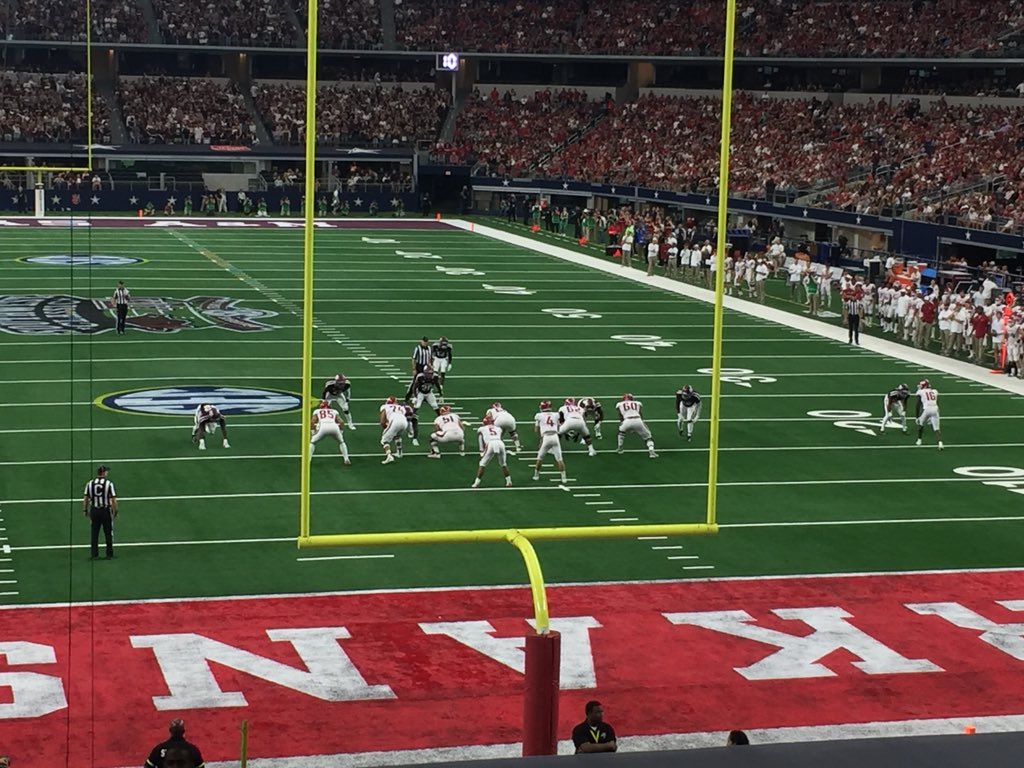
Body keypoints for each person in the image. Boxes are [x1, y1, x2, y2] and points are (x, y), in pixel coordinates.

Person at [83, 465, 117, 560]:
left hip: (94, 510)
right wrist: (115, 510)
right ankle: (109, 554)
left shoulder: (90, 483)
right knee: (108, 532)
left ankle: (94, 554)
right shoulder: (109, 484)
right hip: (105, 510)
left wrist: (85, 509)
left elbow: (86, 498)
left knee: (94, 533)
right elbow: (113, 499)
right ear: (103, 473)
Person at [472, 415, 512, 488]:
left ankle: (476, 483)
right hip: (500, 443)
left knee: (482, 463)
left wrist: (481, 451)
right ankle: (509, 481)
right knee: (503, 464)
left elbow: (480, 438)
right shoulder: (498, 428)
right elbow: (500, 436)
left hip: (491, 444)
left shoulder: (481, 429)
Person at [533, 400, 567, 483]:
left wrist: (541, 436)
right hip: (555, 436)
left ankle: (536, 475)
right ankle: (564, 478)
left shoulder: (539, 416)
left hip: (546, 437)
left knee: (540, 458)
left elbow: (536, 429)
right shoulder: (556, 415)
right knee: (559, 459)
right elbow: (559, 425)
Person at [616, 393, 658, 458]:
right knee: (648, 437)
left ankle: (620, 448)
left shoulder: (619, 404)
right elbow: (640, 413)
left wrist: (622, 423)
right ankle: (651, 452)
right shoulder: (637, 403)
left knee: (621, 433)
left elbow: (620, 415)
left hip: (627, 420)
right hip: (638, 419)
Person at [309, 400, 350, 466]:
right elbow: (341, 422)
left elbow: (312, 422)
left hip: (323, 427)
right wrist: (341, 432)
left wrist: (313, 432)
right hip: (334, 427)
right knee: (341, 442)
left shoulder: (317, 411)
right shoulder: (334, 411)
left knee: (312, 442)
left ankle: (308, 459)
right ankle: (346, 459)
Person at [915, 378, 944, 450]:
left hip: (927, 409)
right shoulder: (934, 391)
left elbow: (918, 405)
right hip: (935, 409)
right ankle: (940, 443)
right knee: (936, 428)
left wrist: (917, 416)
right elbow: (937, 402)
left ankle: (919, 440)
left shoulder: (920, 392)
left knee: (920, 423)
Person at [379, 395, 408, 464]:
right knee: (397, 435)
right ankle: (399, 452)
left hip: (395, 421)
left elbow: (382, 421)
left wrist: (385, 427)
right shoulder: (401, 407)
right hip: (404, 422)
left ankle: (389, 456)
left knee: (384, 440)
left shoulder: (385, 407)